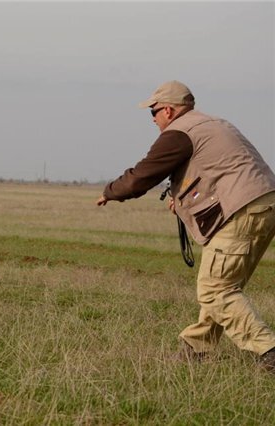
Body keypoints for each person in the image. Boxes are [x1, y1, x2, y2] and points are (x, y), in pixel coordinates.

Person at [96, 80, 275, 372]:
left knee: (215, 290)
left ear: (168, 110)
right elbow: (220, 171)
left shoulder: (179, 132)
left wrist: (111, 191)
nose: (153, 119)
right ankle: (197, 349)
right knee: (223, 285)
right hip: (265, 203)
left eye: (153, 112)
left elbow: (143, 174)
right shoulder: (213, 124)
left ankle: (268, 351)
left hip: (243, 209)